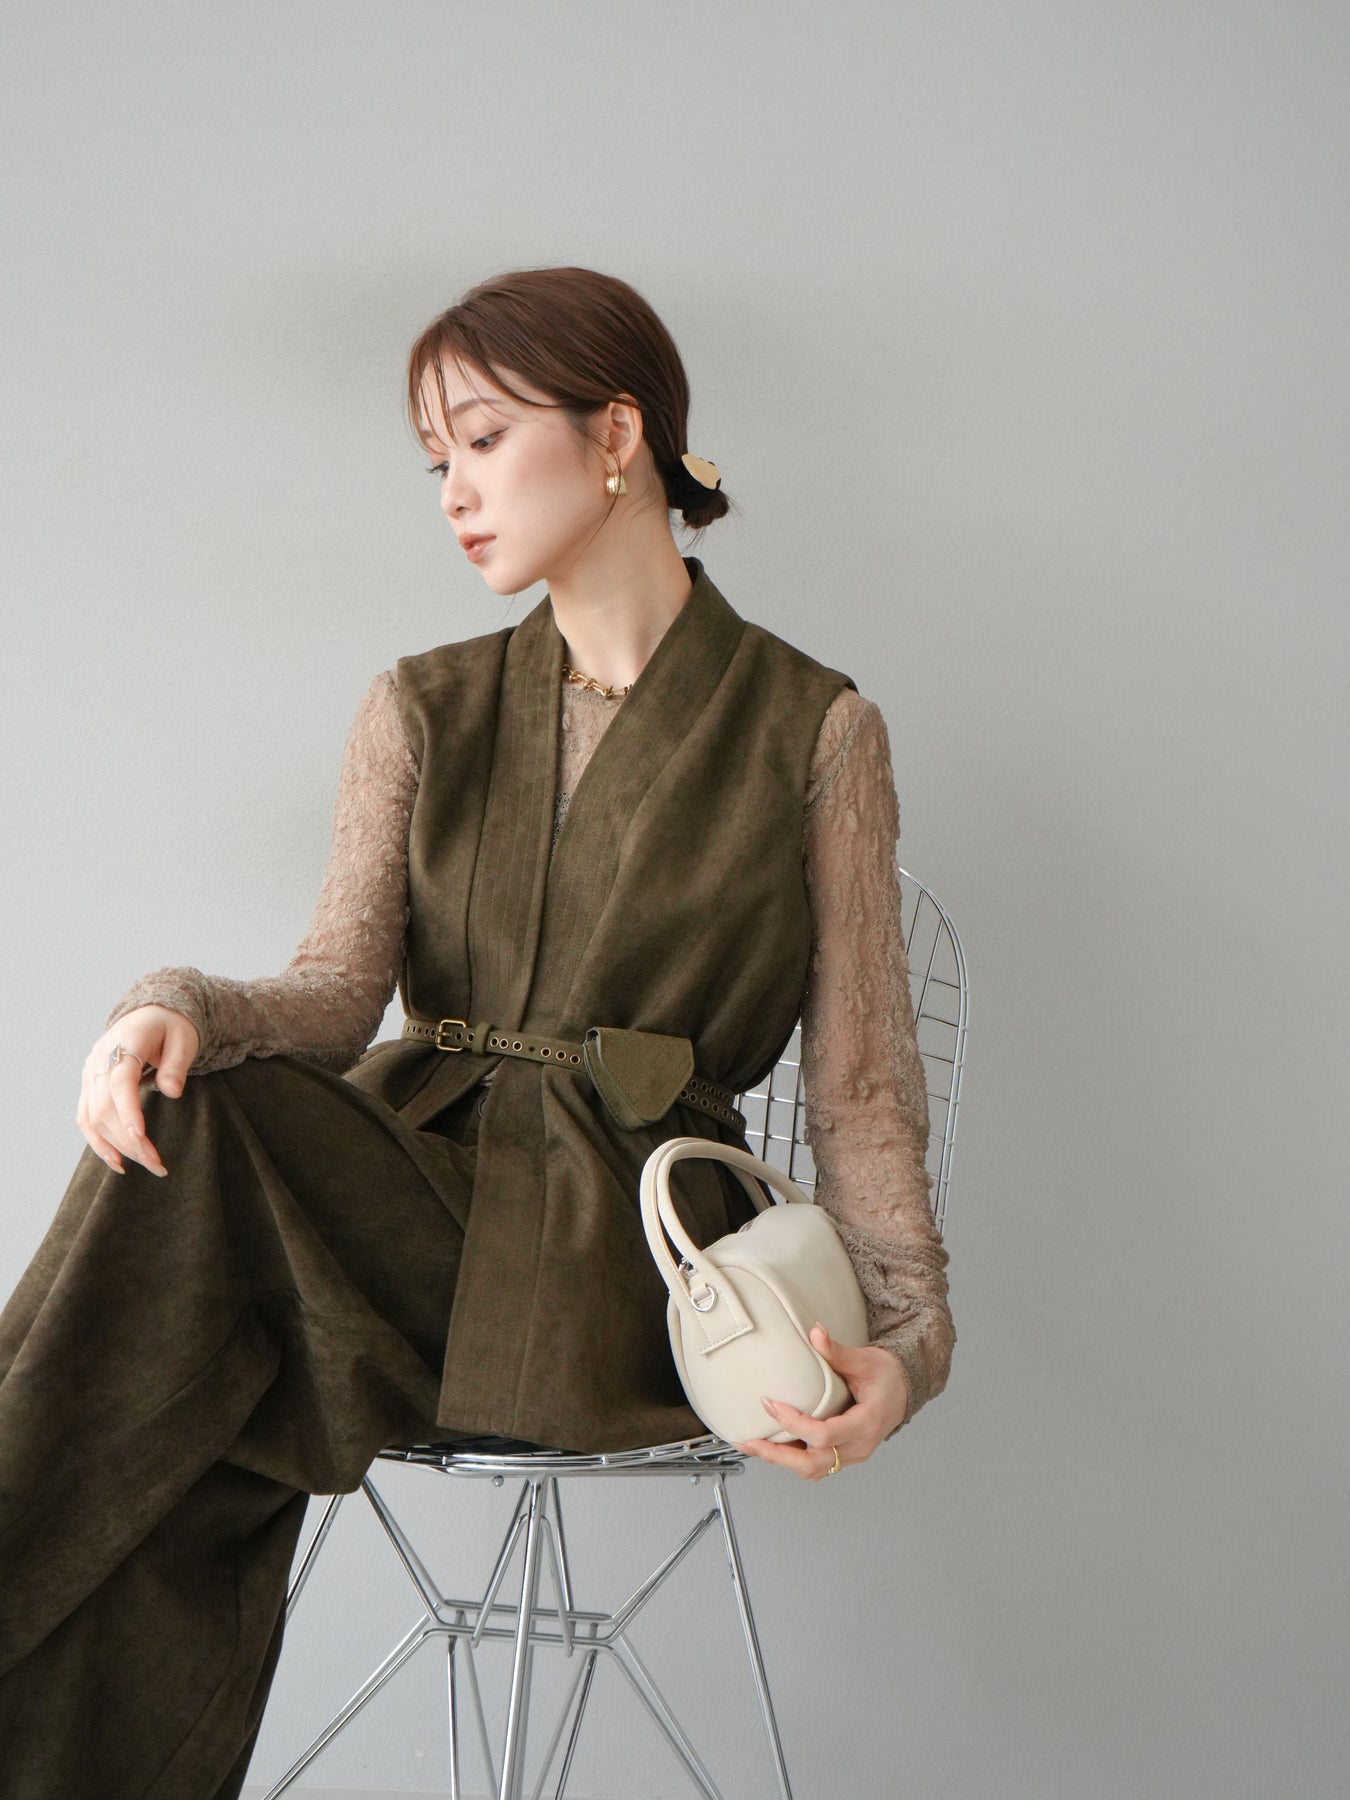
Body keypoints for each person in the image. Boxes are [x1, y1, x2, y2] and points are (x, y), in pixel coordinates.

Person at [0, 266, 953, 1796]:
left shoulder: (814, 732)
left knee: (211, 1216)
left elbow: (857, 1089)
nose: (452, 490)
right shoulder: (419, 706)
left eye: (486, 440)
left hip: (627, 1256)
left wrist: (902, 1347)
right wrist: (171, 1002)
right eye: (435, 457)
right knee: (196, 1342)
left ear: (617, 436)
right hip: (408, 1203)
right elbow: (332, 993)